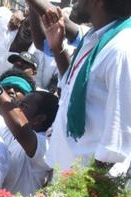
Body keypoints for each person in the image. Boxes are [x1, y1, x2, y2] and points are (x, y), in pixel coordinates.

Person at [42, 0, 131, 171]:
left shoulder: (122, 49)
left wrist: (87, 191)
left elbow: (118, 139)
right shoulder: (95, 38)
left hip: (86, 184)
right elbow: (71, 87)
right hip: (67, 176)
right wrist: (57, 48)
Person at [0, 63, 59, 196]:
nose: (17, 108)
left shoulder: (46, 147)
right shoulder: (6, 128)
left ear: (39, 119)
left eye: (23, 106)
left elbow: (21, 128)